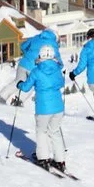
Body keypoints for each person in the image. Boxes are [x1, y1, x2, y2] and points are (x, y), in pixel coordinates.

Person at [16, 27, 68, 173]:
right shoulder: (57, 70)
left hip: (43, 108)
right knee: (55, 132)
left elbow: (26, 88)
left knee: (42, 132)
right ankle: (60, 160)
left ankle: (43, 158)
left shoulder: (37, 71)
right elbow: (61, 84)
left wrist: (20, 84)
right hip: (58, 108)